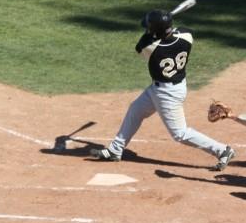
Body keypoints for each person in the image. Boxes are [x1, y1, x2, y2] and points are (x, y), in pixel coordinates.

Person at [90, 9, 236, 171]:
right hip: (170, 87)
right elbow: (183, 29)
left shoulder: (150, 47)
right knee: (136, 110)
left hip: (167, 94)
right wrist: (164, 26)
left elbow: (140, 44)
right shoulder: (186, 37)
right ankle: (116, 149)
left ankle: (222, 150)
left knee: (180, 134)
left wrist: (154, 29)